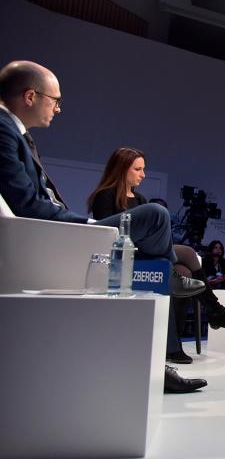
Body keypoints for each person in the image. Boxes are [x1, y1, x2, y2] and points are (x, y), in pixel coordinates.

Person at [0, 60, 206, 393]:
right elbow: (28, 206)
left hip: (54, 235)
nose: (58, 108)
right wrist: (88, 224)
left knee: (161, 237)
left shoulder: (14, 133)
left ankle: (154, 359)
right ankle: (167, 303)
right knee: (156, 215)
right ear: (29, 96)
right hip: (49, 239)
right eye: (55, 100)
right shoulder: (3, 131)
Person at [87, 147, 225, 364]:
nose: (143, 174)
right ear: (122, 169)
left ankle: (176, 342)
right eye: (138, 169)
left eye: (143, 169)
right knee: (181, 260)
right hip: (125, 258)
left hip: (149, 254)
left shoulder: (140, 198)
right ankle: (213, 311)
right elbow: (107, 236)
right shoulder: (105, 196)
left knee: (183, 268)